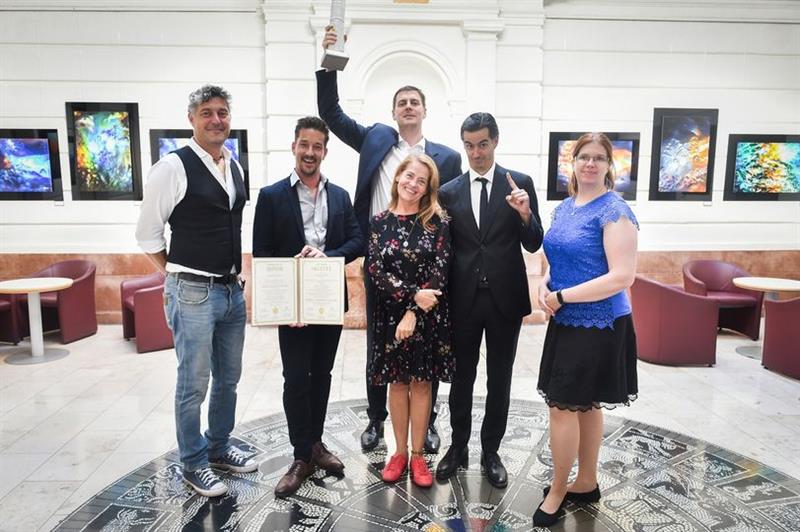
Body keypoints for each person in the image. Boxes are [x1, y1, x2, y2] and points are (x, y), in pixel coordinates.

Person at [317, 26, 462, 454]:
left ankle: (427, 423)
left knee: (427, 344)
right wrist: (330, 59)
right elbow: (331, 113)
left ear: (425, 110)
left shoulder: (447, 157)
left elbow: (452, 216)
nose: (409, 106)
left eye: (415, 101)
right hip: (381, 262)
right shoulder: (376, 139)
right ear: (394, 111)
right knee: (380, 342)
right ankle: (377, 419)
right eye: (402, 102)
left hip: (427, 267)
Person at [135, 85, 256, 497]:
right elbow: (147, 234)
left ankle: (219, 446)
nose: (216, 120)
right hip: (192, 293)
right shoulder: (173, 166)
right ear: (192, 119)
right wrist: (178, 274)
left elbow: (231, 224)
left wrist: (235, 277)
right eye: (207, 112)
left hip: (232, 291)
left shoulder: (234, 166)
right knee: (193, 384)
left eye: (222, 112)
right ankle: (193, 462)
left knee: (229, 380)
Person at [252, 116, 363, 498]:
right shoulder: (271, 196)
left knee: (322, 375)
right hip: (292, 307)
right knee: (296, 379)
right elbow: (262, 253)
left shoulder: (340, 196)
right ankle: (301, 455)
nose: (310, 152)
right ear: (294, 147)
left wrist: (327, 255)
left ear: (325, 151)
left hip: (327, 301)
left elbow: (357, 241)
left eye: (317, 146)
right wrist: (288, 302)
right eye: (304, 144)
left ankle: (315, 444)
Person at [533, 132, 639, 527]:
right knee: (586, 404)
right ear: (572, 162)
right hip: (567, 318)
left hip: (600, 322)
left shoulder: (615, 211)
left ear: (610, 166)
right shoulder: (565, 208)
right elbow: (556, 258)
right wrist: (545, 283)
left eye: (599, 158)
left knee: (563, 408)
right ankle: (586, 481)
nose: (590, 164)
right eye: (583, 157)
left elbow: (622, 276)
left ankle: (558, 490)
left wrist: (562, 296)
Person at [436, 112, 543, 489]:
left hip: (504, 299)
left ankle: (491, 451)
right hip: (462, 299)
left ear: (495, 141)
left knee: (500, 378)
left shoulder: (519, 184)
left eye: (482, 144)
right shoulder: (448, 191)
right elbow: (444, 249)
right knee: (461, 378)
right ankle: (458, 447)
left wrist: (525, 214)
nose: (476, 152)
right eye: (469, 145)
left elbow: (534, 242)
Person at [367, 154, 454, 488]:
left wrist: (414, 311)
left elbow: (441, 270)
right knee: (398, 383)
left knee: (421, 384)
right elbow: (376, 271)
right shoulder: (379, 222)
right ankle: (398, 453)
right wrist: (411, 298)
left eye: (422, 181)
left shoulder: (437, 222)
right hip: (390, 316)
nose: (413, 184)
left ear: (428, 189)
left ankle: (418, 455)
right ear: (398, 176)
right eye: (409, 176)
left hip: (427, 317)